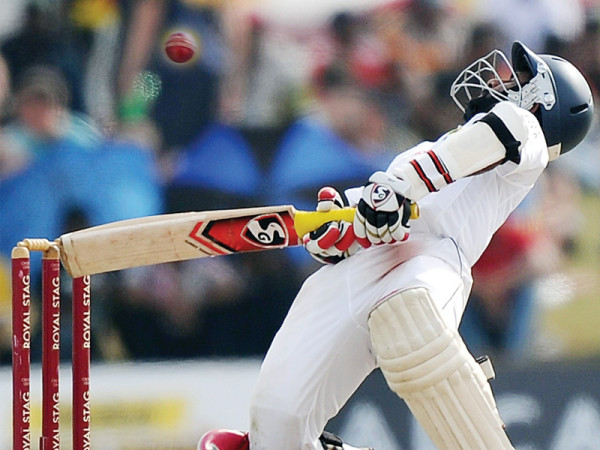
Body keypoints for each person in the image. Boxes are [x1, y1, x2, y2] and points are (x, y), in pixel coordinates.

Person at [197, 41, 594, 450]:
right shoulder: (432, 147)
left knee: (410, 319)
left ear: (543, 101)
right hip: (365, 263)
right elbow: (374, 207)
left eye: (521, 80)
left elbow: (459, 157)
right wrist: (338, 231)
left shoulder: (524, 134)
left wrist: (397, 191)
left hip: (431, 257)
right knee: (276, 420)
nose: (503, 83)